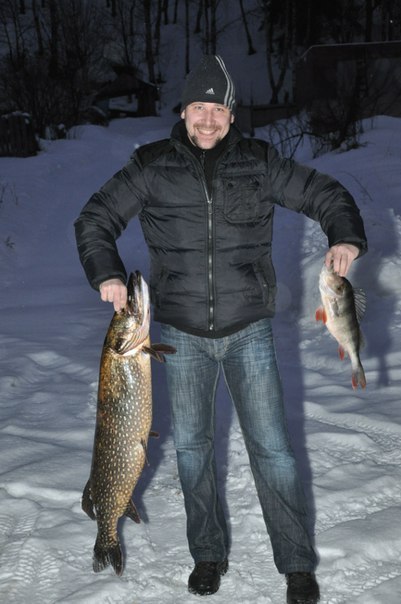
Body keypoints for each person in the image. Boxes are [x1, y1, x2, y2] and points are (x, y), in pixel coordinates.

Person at [75, 55, 367, 603]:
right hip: (179, 334)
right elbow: (94, 219)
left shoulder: (260, 162)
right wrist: (108, 274)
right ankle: (207, 555)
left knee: (274, 452)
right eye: (198, 108)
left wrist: (345, 236)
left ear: (232, 115)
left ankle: (296, 565)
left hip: (248, 329)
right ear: (183, 112)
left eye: (217, 110)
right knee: (192, 452)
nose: (207, 119)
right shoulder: (150, 166)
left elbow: (327, 195)